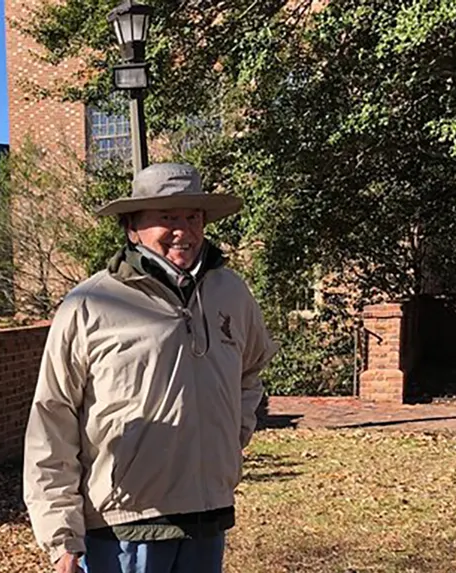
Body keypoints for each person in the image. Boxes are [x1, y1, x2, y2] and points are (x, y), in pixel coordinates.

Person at [23, 162, 277, 573]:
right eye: (167, 216)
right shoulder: (90, 304)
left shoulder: (231, 291)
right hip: (123, 526)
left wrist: (235, 433)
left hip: (207, 514)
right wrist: (60, 534)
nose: (184, 230)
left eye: (193, 216)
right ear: (131, 227)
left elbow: (251, 371)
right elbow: (52, 418)